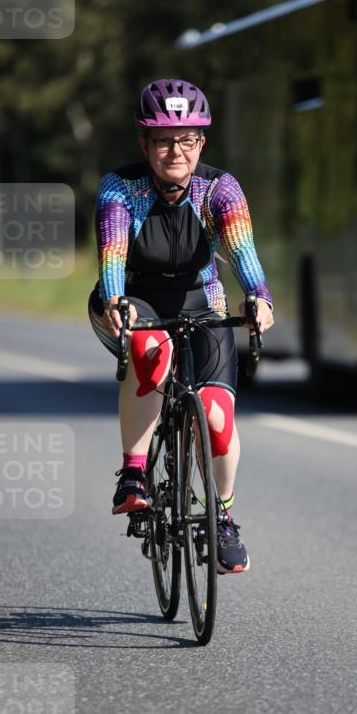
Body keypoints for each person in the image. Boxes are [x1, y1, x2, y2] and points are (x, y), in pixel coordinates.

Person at [88, 78, 274, 573]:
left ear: (201, 143)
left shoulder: (220, 188)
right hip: (133, 297)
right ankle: (132, 476)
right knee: (151, 354)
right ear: (145, 144)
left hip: (202, 299)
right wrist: (115, 301)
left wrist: (259, 297)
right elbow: (112, 257)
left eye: (187, 139)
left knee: (216, 420)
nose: (176, 151)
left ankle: (225, 518)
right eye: (165, 140)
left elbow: (242, 253)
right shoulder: (120, 188)